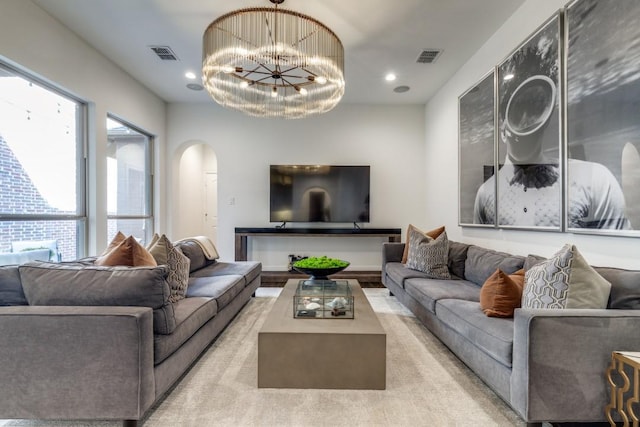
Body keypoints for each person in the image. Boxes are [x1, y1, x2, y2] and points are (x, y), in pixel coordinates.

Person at [474, 34, 629, 229]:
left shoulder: (595, 181)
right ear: (503, 129)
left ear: (547, 117)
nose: (527, 120)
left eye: (536, 105)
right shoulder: (486, 194)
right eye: (519, 109)